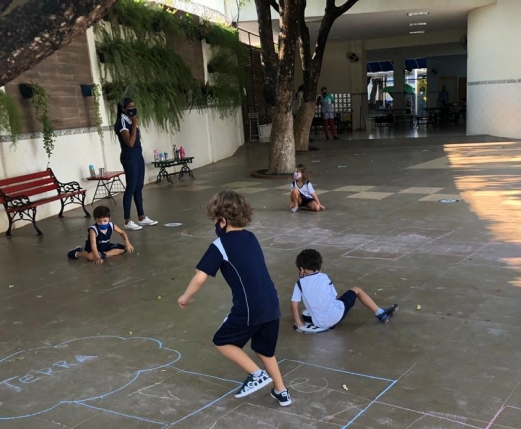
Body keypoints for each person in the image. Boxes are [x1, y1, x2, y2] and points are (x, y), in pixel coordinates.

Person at [178, 191, 291, 407]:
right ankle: (281, 391)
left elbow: (199, 277)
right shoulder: (251, 237)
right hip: (271, 303)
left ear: (223, 220)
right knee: (264, 349)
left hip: (249, 308)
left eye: (215, 221)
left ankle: (257, 375)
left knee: (222, 341)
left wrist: (185, 297)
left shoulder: (219, 246)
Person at [291, 249, 398, 332]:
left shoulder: (299, 284)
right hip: (337, 315)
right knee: (356, 290)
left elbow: (294, 306)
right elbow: (333, 296)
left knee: (303, 312)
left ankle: (306, 318)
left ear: (301, 269)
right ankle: (380, 313)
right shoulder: (324, 277)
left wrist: (299, 323)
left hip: (320, 323)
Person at [114, 98, 158, 231]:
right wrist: (134, 125)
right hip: (129, 157)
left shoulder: (130, 120)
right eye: (129, 106)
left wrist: (134, 124)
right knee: (131, 187)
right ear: (123, 109)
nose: (133, 108)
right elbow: (130, 143)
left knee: (139, 187)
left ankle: (142, 217)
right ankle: (127, 220)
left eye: (134, 105)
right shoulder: (122, 122)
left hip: (138, 156)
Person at [67, 205, 134, 263]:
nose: (102, 223)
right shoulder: (93, 230)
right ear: (95, 220)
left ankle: (103, 254)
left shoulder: (111, 225)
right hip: (93, 249)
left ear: (109, 219)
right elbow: (93, 246)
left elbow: (122, 232)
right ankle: (78, 253)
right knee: (90, 257)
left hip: (105, 247)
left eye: (105, 221)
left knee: (125, 249)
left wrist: (127, 243)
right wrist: (97, 258)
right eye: (99, 221)